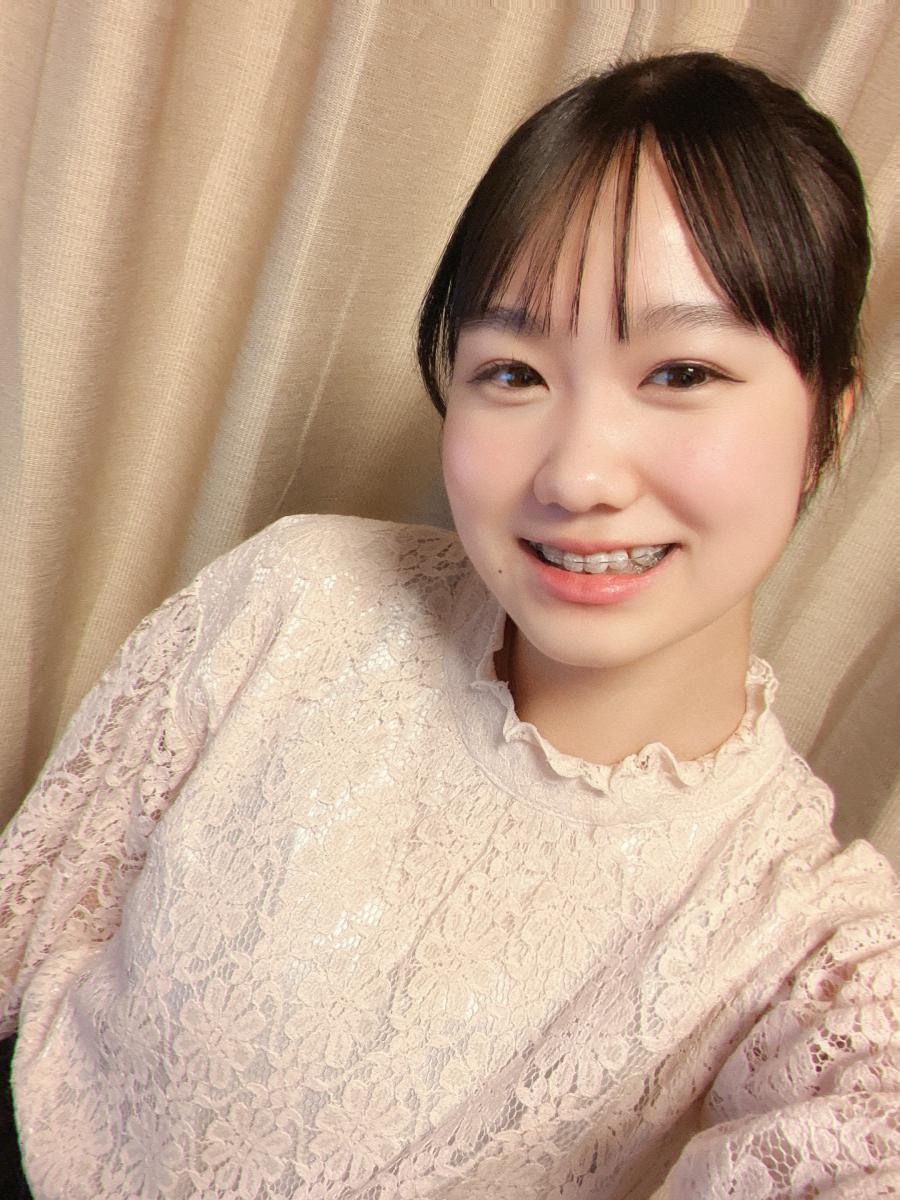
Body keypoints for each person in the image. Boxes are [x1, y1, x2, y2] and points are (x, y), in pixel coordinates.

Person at [1, 50, 897, 1200]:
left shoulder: (801, 932)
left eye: (680, 372)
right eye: (513, 372)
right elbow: (28, 929)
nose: (577, 476)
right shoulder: (297, 596)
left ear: (830, 416)